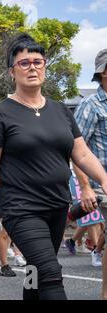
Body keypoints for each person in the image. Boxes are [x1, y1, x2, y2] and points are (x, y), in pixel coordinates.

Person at [0, 33, 107, 300]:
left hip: (57, 205)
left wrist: (104, 179)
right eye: (24, 63)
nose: (32, 67)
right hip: (21, 208)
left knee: (35, 271)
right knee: (50, 273)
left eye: (38, 61)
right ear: (12, 71)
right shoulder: (0, 114)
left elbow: (80, 152)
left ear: (45, 66)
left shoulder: (60, 110)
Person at [73, 48, 107, 299]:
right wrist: (84, 186)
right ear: (104, 73)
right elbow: (75, 149)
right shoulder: (90, 105)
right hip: (101, 184)